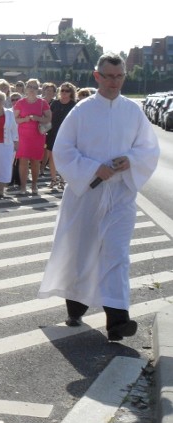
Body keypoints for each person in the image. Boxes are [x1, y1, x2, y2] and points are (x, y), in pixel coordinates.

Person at [39, 54, 159, 341]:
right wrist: (95, 169)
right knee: (82, 252)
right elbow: (64, 150)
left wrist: (130, 159)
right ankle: (76, 307)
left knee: (117, 254)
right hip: (87, 193)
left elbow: (149, 149)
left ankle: (118, 320)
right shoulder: (81, 111)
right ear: (97, 76)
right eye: (108, 76)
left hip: (121, 194)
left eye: (119, 77)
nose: (114, 82)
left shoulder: (133, 111)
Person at [13, 78, 51, 195]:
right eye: (30, 86)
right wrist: (25, 119)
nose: (32, 89)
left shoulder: (42, 103)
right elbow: (15, 119)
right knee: (23, 161)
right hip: (23, 136)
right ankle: (23, 186)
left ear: (38, 89)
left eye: (35, 87)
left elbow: (48, 118)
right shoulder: (20, 102)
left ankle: (34, 184)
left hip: (37, 136)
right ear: (26, 88)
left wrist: (37, 118)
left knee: (35, 161)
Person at [45, 82, 77, 191]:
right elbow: (48, 117)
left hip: (67, 134)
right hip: (53, 133)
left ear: (71, 92)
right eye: (62, 90)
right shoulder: (55, 103)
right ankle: (53, 179)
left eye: (66, 91)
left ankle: (62, 180)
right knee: (52, 156)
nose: (64, 93)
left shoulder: (74, 105)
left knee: (65, 157)